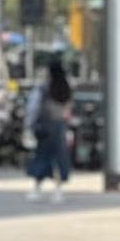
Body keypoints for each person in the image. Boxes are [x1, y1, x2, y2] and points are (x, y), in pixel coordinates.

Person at [25, 60, 74, 203]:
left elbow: (33, 108)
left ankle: (37, 188)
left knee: (42, 156)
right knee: (59, 158)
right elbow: (69, 109)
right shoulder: (66, 88)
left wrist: (29, 125)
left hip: (45, 126)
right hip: (60, 126)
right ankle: (58, 190)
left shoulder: (43, 88)